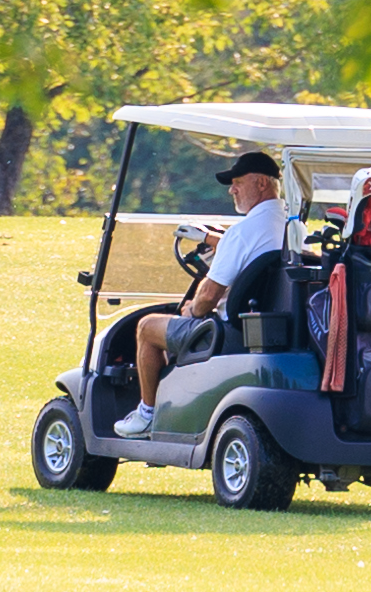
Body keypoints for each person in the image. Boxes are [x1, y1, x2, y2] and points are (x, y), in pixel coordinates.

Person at [123, 142, 290, 426]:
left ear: (262, 183)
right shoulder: (289, 223)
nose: (231, 190)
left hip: (226, 330)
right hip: (266, 324)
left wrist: (191, 311)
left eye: (237, 182)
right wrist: (210, 238)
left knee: (147, 327)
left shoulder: (242, 232)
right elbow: (249, 245)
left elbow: (209, 296)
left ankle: (147, 414)